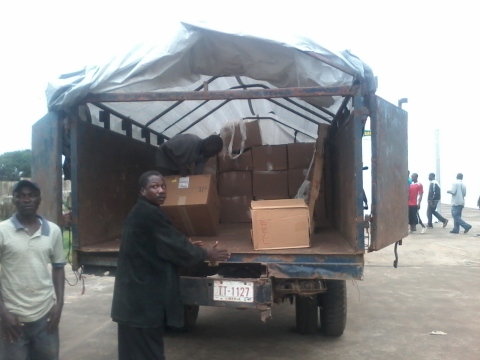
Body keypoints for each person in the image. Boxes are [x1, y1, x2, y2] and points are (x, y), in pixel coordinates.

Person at [111, 170, 230, 360]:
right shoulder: (149, 214)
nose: (161, 190)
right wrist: (206, 252)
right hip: (141, 304)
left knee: (133, 352)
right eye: (154, 187)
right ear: (143, 191)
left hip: (134, 302)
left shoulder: (144, 211)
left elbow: (164, 241)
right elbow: (174, 247)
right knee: (149, 352)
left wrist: (186, 244)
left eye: (163, 186)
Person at [0, 180, 66, 360]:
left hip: (45, 317)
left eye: (31, 195)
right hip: (13, 318)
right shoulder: (2, 231)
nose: (26, 199)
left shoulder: (53, 231)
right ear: (13, 200)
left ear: (39, 200)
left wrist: (59, 304)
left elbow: (58, 268)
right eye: (20, 196)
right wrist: (3, 312)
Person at [155, 133, 223, 176]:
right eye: (214, 151)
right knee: (164, 185)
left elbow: (198, 172)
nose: (213, 155)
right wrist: (180, 166)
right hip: (164, 161)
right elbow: (165, 148)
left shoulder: (205, 155)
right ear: (208, 143)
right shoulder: (189, 140)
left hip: (176, 166)